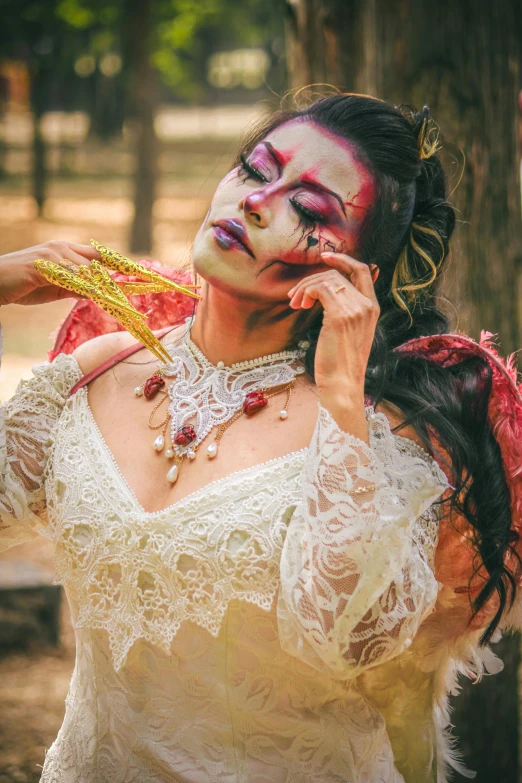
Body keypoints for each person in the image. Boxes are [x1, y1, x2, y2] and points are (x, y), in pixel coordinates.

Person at [0, 94, 520, 783]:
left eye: (308, 210)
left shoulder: (372, 436)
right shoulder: (94, 374)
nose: (253, 202)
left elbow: (345, 638)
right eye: (253, 169)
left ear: (356, 271)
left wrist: (342, 401)